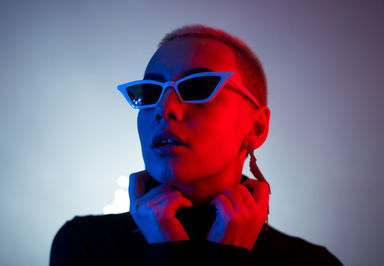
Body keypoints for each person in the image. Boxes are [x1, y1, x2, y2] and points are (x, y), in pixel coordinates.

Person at [50, 24, 343, 266]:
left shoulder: (309, 263)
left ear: (257, 127)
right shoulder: (86, 244)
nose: (165, 109)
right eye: (149, 92)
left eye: (198, 86)